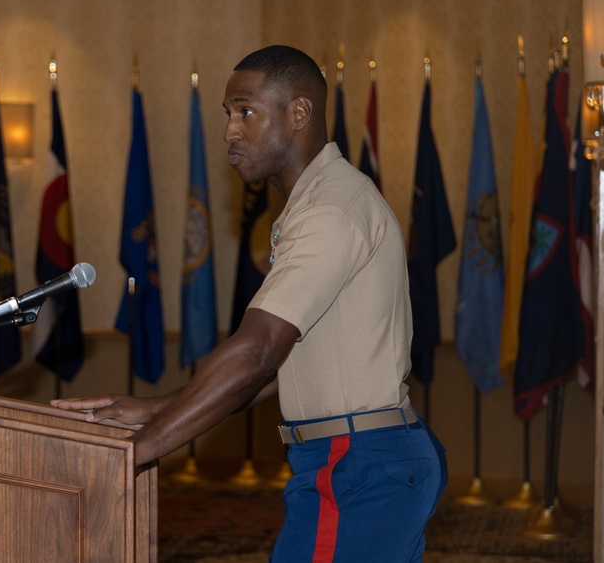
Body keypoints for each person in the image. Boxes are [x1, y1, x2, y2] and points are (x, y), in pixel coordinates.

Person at [52, 45, 447, 562]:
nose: (229, 132)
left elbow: (258, 350)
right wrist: (153, 409)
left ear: (299, 113)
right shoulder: (317, 203)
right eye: (227, 114)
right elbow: (281, 368)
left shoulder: (331, 210)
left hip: (358, 467)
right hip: (350, 460)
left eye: (245, 111)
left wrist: (135, 450)